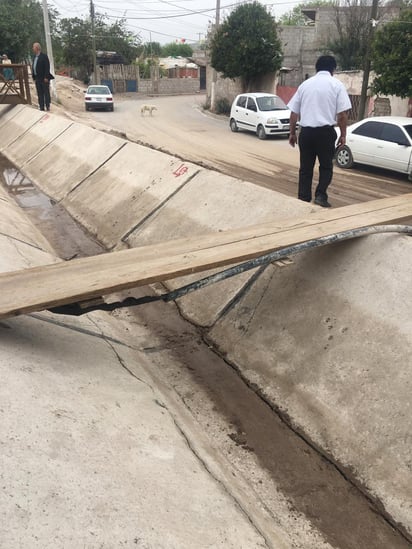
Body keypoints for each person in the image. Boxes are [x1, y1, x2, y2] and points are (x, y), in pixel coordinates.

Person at [287, 55, 352, 207]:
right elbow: (342, 115)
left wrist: (292, 133)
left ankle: (303, 198)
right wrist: (343, 135)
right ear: (333, 69)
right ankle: (321, 196)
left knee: (305, 168)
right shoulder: (337, 85)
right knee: (326, 167)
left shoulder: (305, 85)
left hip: (306, 133)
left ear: (317, 68)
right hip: (325, 134)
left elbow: (293, 113)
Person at [32, 42, 54, 111]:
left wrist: (46, 77)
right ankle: (41, 106)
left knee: (46, 92)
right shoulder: (34, 57)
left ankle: (47, 106)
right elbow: (34, 67)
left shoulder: (44, 56)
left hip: (44, 78)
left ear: (37, 48)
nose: (33, 49)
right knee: (39, 93)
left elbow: (47, 67)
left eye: (33, 47)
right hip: (37, 78)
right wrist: (34, 77)